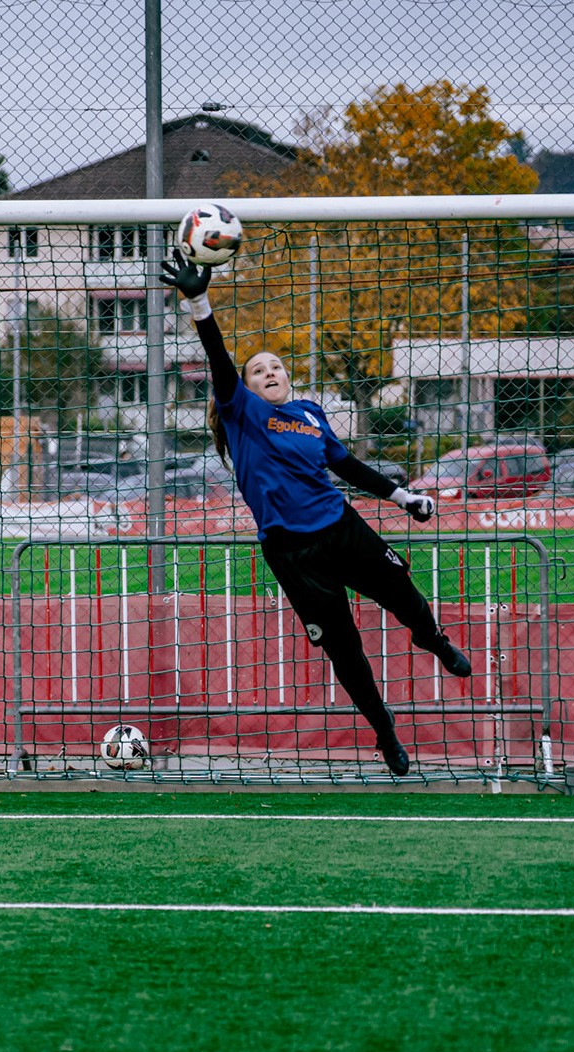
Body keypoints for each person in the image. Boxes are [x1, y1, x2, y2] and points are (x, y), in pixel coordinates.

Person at [161, 253, 472, 776]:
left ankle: (433, 640)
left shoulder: (310, 415)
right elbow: (217, 359)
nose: (269, 372)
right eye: (258, 370)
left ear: (288, 376)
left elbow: (347, 465)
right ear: (248, 387)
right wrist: (199, 302)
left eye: (275, 366)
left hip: (342, 528)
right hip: (293, 553)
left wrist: (403, 497)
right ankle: (385, 731)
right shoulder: (243, 414)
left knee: (407, 597)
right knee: (344, 651)